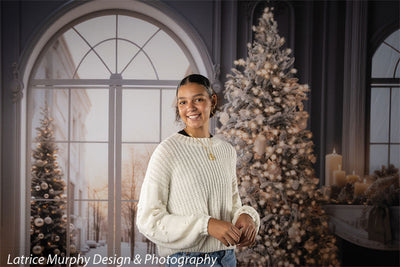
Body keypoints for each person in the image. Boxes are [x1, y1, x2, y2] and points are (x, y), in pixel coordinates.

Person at [136, 74, 260, 267]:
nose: (190, 108)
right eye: (183, 102)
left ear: (213, 100)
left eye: (198, 99)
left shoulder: (226, 151)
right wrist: (206, 225)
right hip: (186, 261)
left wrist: (246, 216)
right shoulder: (167, 151)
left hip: (227, 258)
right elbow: (148, 219)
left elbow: (233, 204)